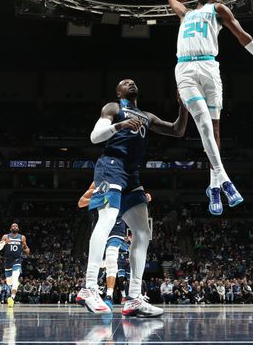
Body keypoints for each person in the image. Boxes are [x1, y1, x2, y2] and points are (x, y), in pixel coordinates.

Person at [168, 0, 253, 214]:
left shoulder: (218, 9)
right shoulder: (186, 13)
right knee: (202, 123)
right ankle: (225, 180)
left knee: (214, 128)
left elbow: (243, 36)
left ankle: (213, 187)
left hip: (209, 66)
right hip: (185, 69)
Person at [77, 79, 188, 316]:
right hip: (111, 166)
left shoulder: (147, 115)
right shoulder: (113, 108)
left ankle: (134, 298)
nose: (130, 82)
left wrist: (183, 106)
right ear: (119, 92)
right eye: (124, 82)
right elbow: (95, 137)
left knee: (142, 233)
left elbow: (178, 130)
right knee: (106, 221)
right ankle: (88, 288)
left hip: (132, 174)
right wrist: (120, 125)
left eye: (133, 81)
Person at [0, 223, 30, 307]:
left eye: (16, 226)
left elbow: (27, 250)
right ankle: (15, 286)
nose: (15, 227)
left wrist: (25, 247)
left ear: (18, 228)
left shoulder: (22, 237)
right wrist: (4, 242)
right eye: (13, 226)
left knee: (15, 278)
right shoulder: (5, 236)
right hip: (8, 262)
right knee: (9, 282)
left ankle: (12, 297)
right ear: (10, 228)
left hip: (17, 261)